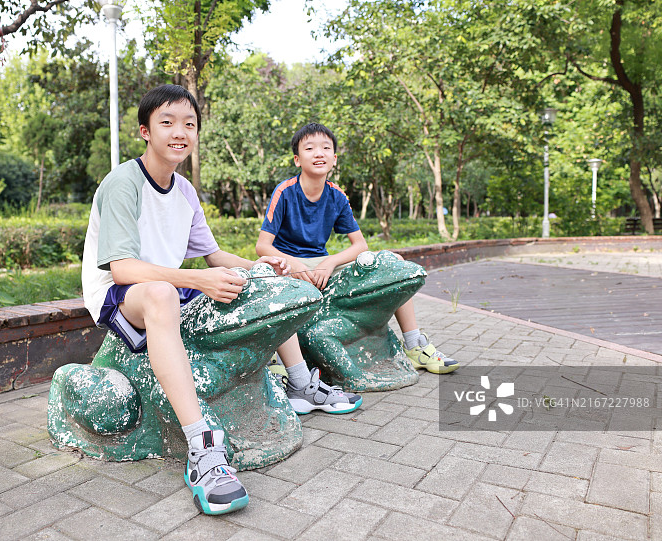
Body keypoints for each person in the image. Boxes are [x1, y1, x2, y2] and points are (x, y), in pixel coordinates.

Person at [81, 87, 358, 516]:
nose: (180, 132)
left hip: (170, 284)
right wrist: (199, 280)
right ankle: (202, 448)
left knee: (262, 279)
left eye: (189, 124)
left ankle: (301, 383)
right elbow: (122, 269)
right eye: (167, 123)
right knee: (161, 293)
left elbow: (213, 256)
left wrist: (262, 267)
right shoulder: (123, 182)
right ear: (145, 131)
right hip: (121, 293)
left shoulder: (185, 191)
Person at [256, 122, 459, 375]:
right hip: (289, 265)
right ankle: (276, 359)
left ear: (334, 159)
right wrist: (294, 264)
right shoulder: (284, 192)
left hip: (321, 263)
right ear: (297, 159)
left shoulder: (337, 196)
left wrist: (330, 262)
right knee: (268, 280)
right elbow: (263, 246)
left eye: (326, 148)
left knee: (394, 264)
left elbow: (360, 245)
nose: (319, 153)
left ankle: (414, 345)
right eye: (309, 148)